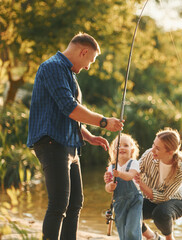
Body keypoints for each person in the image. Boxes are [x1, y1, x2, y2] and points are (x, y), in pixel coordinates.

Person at [27, 32, 124, 240]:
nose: (88, 66)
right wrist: (104, 122)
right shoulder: (52, 67)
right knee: (59, 203)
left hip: (69, 144)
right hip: (52, 143)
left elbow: (65, 114)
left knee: (75, 203)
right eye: (91, 60)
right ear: (83, 51)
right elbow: (69, 107)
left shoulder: (68, 73)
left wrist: (88, 136)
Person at [136, 128, 182, 240]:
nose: (152, 150)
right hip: (152, 199)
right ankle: (152, 237)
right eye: (153, 145)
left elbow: (164, 197)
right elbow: (133, 171)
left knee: (161, 213)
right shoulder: (149, 155)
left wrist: (140, 184)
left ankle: (169, 238)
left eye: (158, 148)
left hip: (176, 201)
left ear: (170, 152)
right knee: (127, 207)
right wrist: (116, 173)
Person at [105, 133, 143, 240]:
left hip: (134, 202)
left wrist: (119, 174)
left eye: (126, 145)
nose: (122, 147)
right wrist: (110, 186)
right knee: (123, 232)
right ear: (113, 151)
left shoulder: (133, 163)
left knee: (132, 230)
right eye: (118, 146)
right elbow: (107, 187)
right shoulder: (111, 167)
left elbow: (130, 176)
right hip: (119, 203)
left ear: (132, 150)